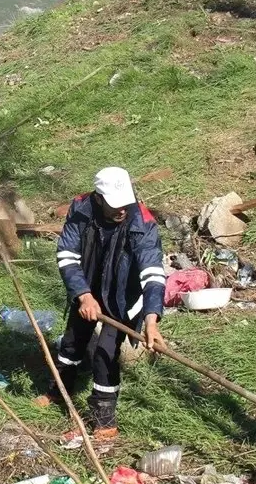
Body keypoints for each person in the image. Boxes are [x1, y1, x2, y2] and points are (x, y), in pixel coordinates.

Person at [36, 167, 167, 441]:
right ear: (98, 198)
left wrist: (152, 320)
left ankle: (104, 420)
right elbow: (67, 256)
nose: (122, 210)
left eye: (125, 204)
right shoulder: (81, 209)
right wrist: (83, 295)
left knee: (105, 353)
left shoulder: (141, 224)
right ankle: (58, 391)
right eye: (114, 204)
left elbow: (153, 273)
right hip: (88, 287)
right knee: (72, 342)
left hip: (122, 298)